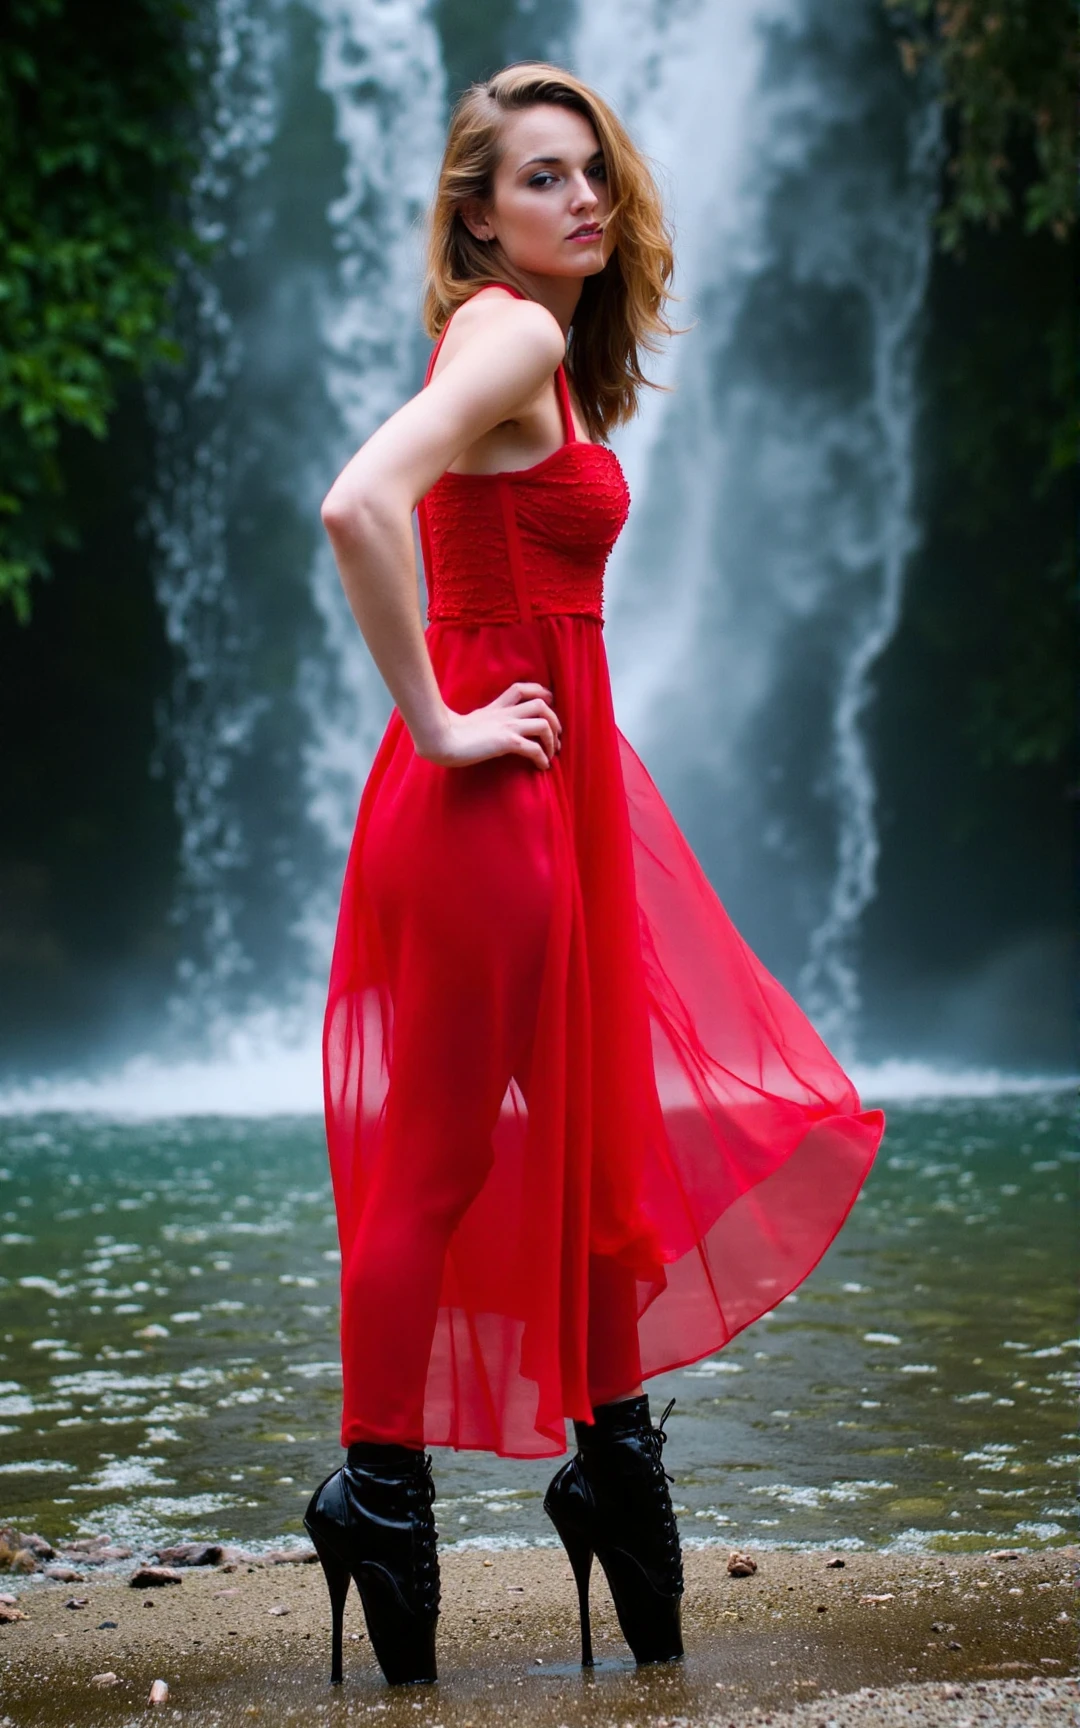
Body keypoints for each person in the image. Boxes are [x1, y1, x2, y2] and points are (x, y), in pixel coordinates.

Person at [303, 61, 885, 1690]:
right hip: (491, 802)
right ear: (476, 215)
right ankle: (386, 1492)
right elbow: (357, 503)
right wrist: (438, 721)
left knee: (585, 1144)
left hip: (546, 800)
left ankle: (600, 1458)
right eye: (540, 179)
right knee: (433, 1170)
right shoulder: (515, 331)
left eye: (591, 173)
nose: (581, 199)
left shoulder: (536, 350)